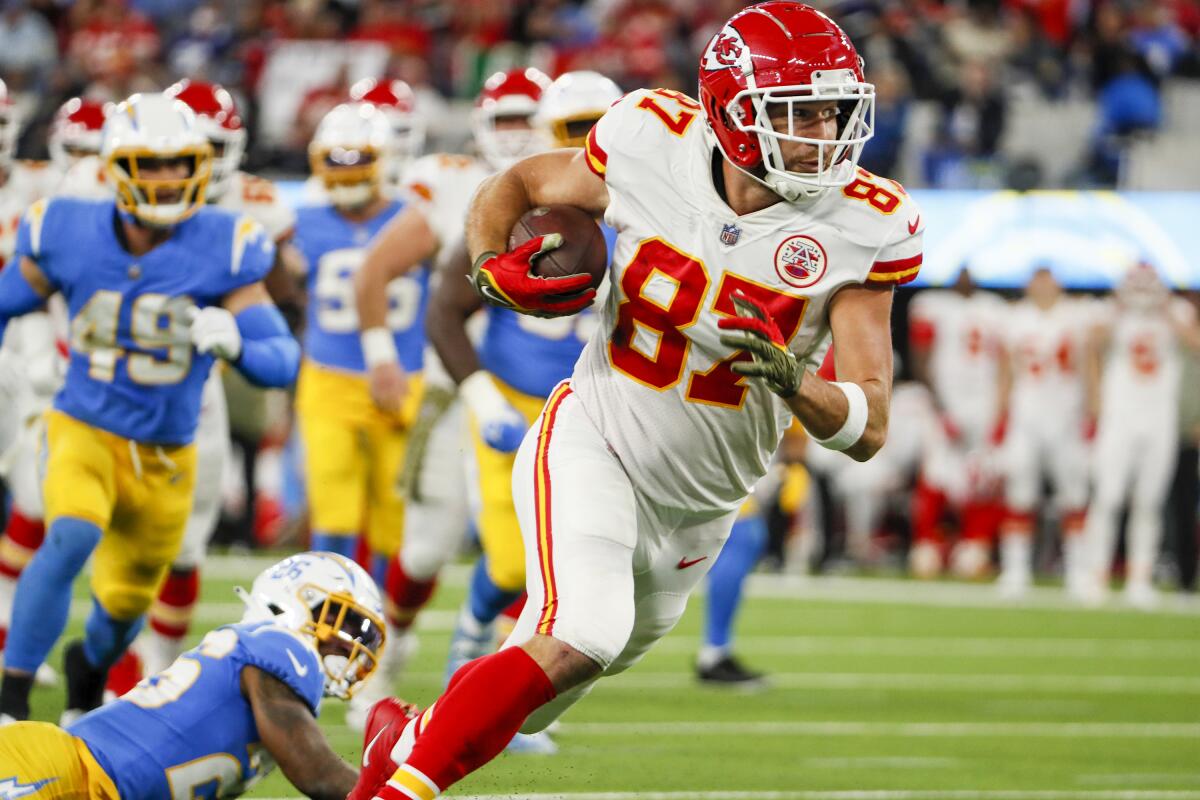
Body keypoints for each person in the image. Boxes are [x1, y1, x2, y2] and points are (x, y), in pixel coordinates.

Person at [353, 4, 923, 798]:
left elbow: (871, 424)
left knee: (533, 704)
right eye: (800, 112)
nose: (825, 131)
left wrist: (802, 386)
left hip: (701, 507)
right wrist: (491, 260)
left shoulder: (865, 223)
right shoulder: (650, 138)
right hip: (597, 440)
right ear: (731, 113)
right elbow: (515, 183)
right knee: (584, 631)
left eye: (835, 109)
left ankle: (403, 736)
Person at [0, 92, 300, 725]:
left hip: (166, 452)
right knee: (71, 532)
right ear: (115, 168)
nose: (168, 180)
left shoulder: (225, 243)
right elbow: (7, 298)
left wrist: (239, 341)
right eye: (151, 165)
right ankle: (12, 697)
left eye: (179, 164)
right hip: (82, 425)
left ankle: (89, 668)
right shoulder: (67, 229)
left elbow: (281, 359)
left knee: (125, 604)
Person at [347, 68, 553, 732]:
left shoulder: (579, 182)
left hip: (546, 394)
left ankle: (487, 669)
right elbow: (377, 267)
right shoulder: (457, 182)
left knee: (534, 548)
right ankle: (388, 647)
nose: (518, 134)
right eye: (506, 119)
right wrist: (382, 359)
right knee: (427, 548)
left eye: (530, 118)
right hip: (454, 391)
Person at [0, 551, 396, 800]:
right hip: (62, 776)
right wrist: (401, 791)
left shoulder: (267, 664)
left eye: (358, 636)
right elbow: (318, 775)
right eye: (340, 621)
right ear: (291, 599)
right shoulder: (283, 645)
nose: (347, 646)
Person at [292, 102, 419, 581]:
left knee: (393, 519)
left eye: (359, 160)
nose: (347, 173)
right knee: (334, 510)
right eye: (337, 161)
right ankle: (324, 613)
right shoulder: (301, 220)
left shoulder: (415, 215)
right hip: (327, 377)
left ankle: (379, 622)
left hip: (405, 377)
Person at [1079, 263, 1200, 607]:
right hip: (1121, 417)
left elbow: (1196, 343)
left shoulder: (1176, 312)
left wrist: (1163, 308)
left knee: (1149, 500)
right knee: (1108, 496)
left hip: (1159, 417)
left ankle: (1139, 577)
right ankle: (1095, 573)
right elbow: (1092, 341)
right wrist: (1122, 305)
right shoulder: (1112, 312)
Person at [995, 266, 1093, 598]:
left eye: (1047, 278)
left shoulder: (1077, 314)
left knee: (1074, 495)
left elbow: (1090, 364)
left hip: (1066, 414)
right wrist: (1001, 415)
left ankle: (1079, 572)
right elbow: (1006, 370)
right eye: (1037, 279)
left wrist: (1093, 411)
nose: (1043, 285)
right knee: (1019, 493)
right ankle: (1015, 570)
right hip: (1027, 414)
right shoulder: (1015, 318)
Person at [908, 268, 1007, 579]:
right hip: (947, 401)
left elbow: (1006, 363)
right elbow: (920, 356)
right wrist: (939, 407)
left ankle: (973, 545)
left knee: (984, 475)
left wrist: (1001, 410)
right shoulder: (932, 305)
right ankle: (926, 543)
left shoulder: (996, 309)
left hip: (984, 403)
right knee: (936, 473)